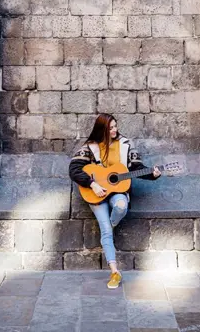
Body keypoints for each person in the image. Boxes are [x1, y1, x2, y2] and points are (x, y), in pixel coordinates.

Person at [69, 113, 161, 289]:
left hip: (118, 191)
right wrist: (93, 184)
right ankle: (114, 272)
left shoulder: (125, 144)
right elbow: (74, 169)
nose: (114, 130)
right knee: (105, 232)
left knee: (121, 206)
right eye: (110, 127)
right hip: (95, 193)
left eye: (115, 126)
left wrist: (153, 173)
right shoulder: (89, 147)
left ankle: (109, 227)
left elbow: (136, 168)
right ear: (101, 129)